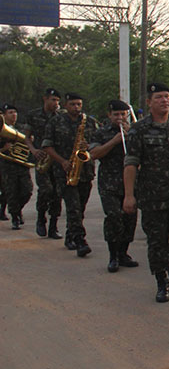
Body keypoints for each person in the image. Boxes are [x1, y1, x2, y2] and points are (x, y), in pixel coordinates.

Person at [123, 83, 169, 303]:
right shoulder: (139, 129)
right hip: (152, 196)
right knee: (156, 241)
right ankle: (161, 280)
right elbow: (130, 163)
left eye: (167, 96)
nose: (164, 100)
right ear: (149, 102)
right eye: (158, 97)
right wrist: (129, 195)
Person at [42, 93, 98, 257]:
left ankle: (70, 235)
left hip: (85, 172)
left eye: (79, 104)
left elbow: (98, 143)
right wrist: (62, 161)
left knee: (80, 208)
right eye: (73, 104)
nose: (76, 107)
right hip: (65, 172)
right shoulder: (55, 122)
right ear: (66, 105)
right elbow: (47, 146)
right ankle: (81, 241)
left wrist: (88, 146)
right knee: (73, 208)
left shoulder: (90, 122)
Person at [88, 100, 139, 272]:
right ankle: (113, 256)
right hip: (109, 183)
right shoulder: (101, 133)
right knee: (113, 217)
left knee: (129, 219)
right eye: (116, 114)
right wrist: (115, 141)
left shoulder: (135, 131)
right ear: (109, 115)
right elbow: (93, 154)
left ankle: (124, 253)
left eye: (123, 114)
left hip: (130, 183)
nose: (119, 118)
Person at [24, 88, 63, 239]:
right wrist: (33, 150)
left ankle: (53, 226)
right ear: (45, 99)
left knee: (57, 192)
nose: (55, 103)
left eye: (58, 101)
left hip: (57, 158)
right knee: (46, 189)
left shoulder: (60, 117)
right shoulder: (33, 115)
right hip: (42, 158)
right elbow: (27, 136)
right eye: (53, 100)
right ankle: (41, 218)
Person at [0, 104, 34, 230]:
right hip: (6, 166)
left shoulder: (22, 128)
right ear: (4, 115)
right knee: (11, 192)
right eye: (10, 112)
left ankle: (17, 210)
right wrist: (4, 149)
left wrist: (30, 141)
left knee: (27, 190)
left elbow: (29, 143)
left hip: (21, 164)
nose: (14, 114)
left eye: (15, 112)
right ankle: (15, 217)